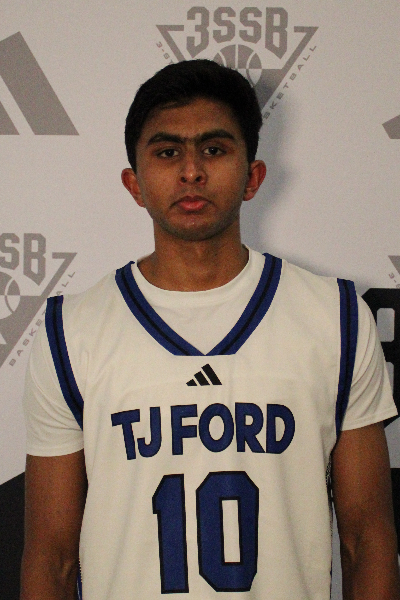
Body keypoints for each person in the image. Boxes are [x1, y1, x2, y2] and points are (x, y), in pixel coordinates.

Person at [21, 59, 400, 600]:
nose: (192, 172)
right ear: (134, 183)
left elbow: (368, 541)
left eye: (215, 149)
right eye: (167, 152)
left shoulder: (333, 317)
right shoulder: (72, 331)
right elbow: (51, 559)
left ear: (253, 177)